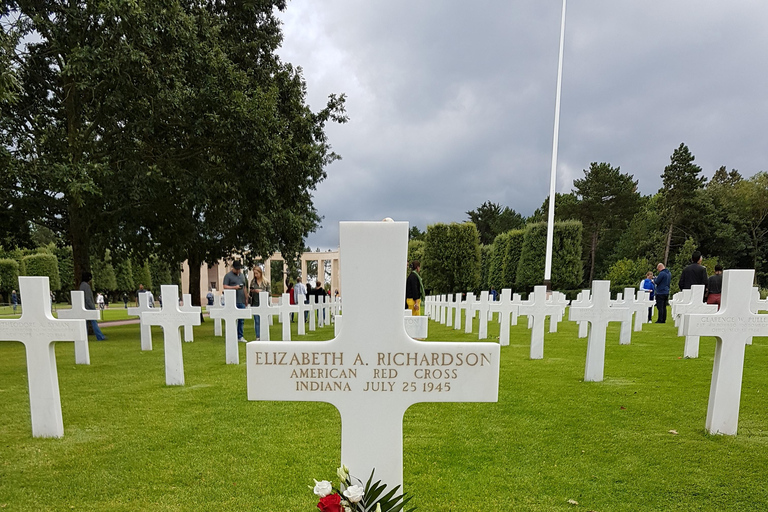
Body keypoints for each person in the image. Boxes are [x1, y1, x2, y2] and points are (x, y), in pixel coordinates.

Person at [223, 260, 248, 342]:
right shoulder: (228, 276)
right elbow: (225, 286)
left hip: (241, 300)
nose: (238, 271)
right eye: (236, 269)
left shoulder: (242, 276)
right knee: (232, 319)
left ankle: (240, 336)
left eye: (239, 269)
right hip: (232, 301)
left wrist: (246, 297)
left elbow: (244, 287)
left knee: (241, 320)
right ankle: (232, 335)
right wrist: (234, 287)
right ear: (232, 268)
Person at [80, 272, 107, 341]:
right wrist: (92, 307)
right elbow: (88, 298)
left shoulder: (81, 285)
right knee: (94, 322)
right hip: (88, 307)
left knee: (85, 323)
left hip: (84, 306)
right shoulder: (86, 286)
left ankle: (83, 337)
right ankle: (100, 336)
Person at [249, 266, 269, 340]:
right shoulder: (252, 282)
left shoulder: (266, 282)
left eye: (257, 273)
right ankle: (258, 336)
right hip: (255, 303)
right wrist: (252, 291)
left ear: (260, 273)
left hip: (264, 304)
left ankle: (264, 335)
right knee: (257, 321)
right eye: (254, 273)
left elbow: (269, 293)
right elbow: (250, 294)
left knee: (263, 320)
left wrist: (261, 291)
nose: (255, 275)